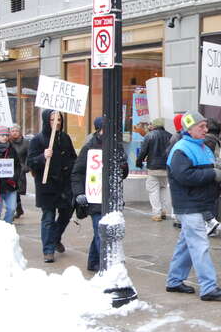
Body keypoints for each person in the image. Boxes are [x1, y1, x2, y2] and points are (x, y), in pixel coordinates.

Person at [166, 111, 221, 301]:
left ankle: (174, 280)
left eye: (205, 126)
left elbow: (209, 171)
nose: (206, 129)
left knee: (187, 244)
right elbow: (184, 177)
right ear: (190, 128)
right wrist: (213, 173)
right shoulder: (181, 149)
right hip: (189, 204)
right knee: (199, 245)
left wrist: (220, 166)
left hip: (197, 203)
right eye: (201, 126)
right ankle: (208, 287)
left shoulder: (202, 147)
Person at [71, 117, 129, 272]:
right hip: (95, 198)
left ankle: (93, 261)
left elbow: (123, 174)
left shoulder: (117, 147)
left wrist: (123, 165)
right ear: (99, 130)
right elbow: (77, 173)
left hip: (111, 197)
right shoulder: (89, 148)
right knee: (101, 232)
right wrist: (79, 193)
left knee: (101, 231)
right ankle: (107, 266)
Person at [28, 109, 77, 263]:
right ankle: (48, 250)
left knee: (66, 214)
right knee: (48, 217)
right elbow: (29, 163)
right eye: (53, 120)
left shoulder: (65, 138)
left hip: (64, 185)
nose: (57, 123)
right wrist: (43, 157)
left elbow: (73, 158)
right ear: (46, 121)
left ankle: (55, 238)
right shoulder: (38, 140)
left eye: (59, 120)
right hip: (47, 186)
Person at [137, 117, 172, 221]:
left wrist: (139, 162)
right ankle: (164, 211)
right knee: (163, 188)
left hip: (153, 168)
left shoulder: (149, 136)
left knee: (153, 190)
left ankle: (157, 213)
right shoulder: (170, 136)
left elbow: (143, 151)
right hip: (166, 168)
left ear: (154, 125)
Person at [202, 118, 221, 236]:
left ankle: (210, 225)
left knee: (206, 201)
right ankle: (212, 226)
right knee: (214, 200)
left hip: (209, 175)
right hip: (220, 176)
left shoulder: (206, 141)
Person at [167, 113, 188, 230]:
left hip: (175, 169)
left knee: (176, 192)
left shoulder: (175, 137)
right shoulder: (184, 136)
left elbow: (169, 153)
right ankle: (180, 217)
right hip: (181, 168)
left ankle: (177, 218)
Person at [9, 124, 30, 219]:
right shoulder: (8, 142)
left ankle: (15, 210)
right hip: (9, 170)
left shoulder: (25, 143)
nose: (14, 133)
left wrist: (26, 167)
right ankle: (17, 209)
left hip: (20, 171)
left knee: (16, 190)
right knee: (12, 190)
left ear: (20, 132)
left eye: (16, 131)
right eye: (12, 131)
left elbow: (29, 155)